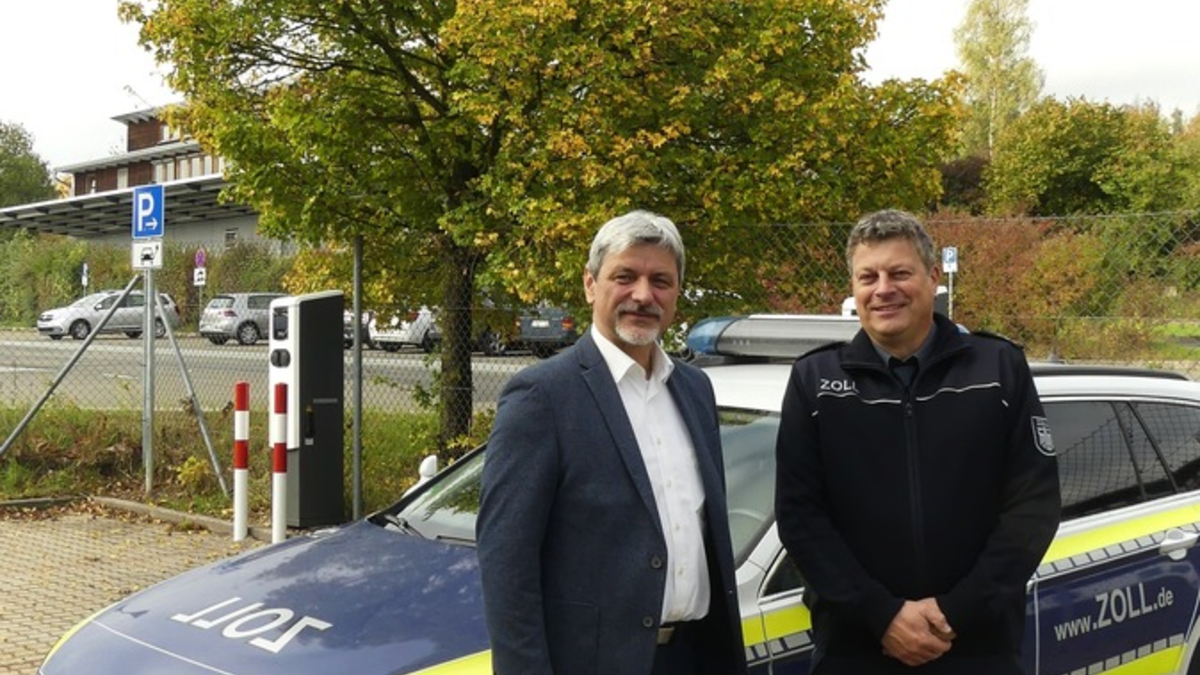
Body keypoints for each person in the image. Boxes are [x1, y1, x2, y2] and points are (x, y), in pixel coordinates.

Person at [774, 209, 1060, 674]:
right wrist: (881, 615)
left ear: (932, 278)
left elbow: (1034, 507)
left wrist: (955, 612)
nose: (883, 288)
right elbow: (799, 515)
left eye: (899, 273)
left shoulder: (998, 369)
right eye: (868, 276)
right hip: (856, 647)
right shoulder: (815, 380)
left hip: (977, 646)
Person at [477, 210, 748, 675]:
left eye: (660, 280)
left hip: (696, 655)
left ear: (677, 293)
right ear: (590, 285)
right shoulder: (542, 397)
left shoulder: (695, 390)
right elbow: (507, 564)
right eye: (625, 276)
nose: (643, 295)